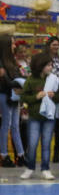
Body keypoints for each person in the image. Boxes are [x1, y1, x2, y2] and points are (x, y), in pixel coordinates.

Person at [19, 53, 59, 181]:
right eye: (48, 65)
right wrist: (36, 97)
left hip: (49, 117)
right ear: (40, 66)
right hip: (34, 118)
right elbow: (23, 97)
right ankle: (30, 168)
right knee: (32, 144)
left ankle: (45, 169)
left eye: (51, 65)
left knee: (46, 144)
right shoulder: (31, 80)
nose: (50, 67)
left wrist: (54, 96)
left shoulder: (54, 79)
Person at [0, 34, 25, 167]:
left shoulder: (12, 61)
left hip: (15, 95)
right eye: (12, 44)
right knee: (6, 125)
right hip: (5, 94)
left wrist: (20, 84)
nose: (14, 46)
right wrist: (17, 84)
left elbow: (17, 77)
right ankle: (3, 155)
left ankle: (20, 155)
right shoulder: (1, 62)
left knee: (15, 125)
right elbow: (6, 81)